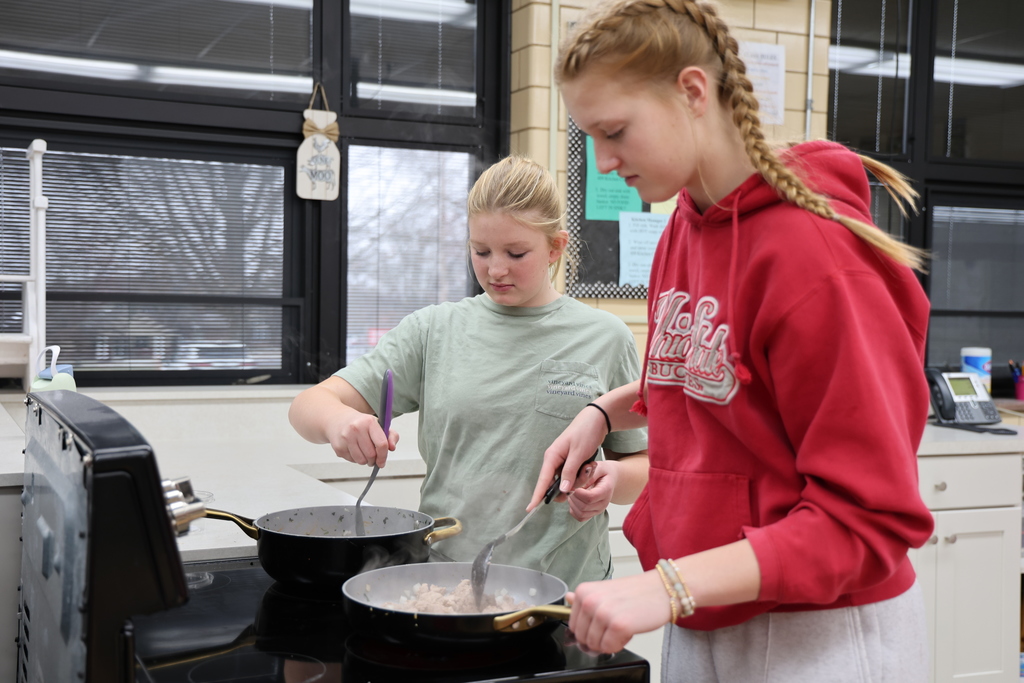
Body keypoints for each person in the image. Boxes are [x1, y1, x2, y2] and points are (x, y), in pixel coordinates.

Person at [528, 1, 934, 680]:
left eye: (615, 131)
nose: (601, 163)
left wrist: (666, 586)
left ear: (693, 91)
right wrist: (604, 411)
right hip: (705, 605)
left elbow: (869, 518)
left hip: (818, 629)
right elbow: (715, 376)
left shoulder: (817, 257)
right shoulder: (683, 229)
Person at [289, 155, 648, 590]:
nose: (496, 269)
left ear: (555, 247)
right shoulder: (433, 331)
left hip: (567, 593)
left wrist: (616, 481)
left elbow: (644, 465)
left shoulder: (605, 337)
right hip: (447, 582)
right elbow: (307, 407)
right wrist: (339, 421)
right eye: (481, 251)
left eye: (516, 253)